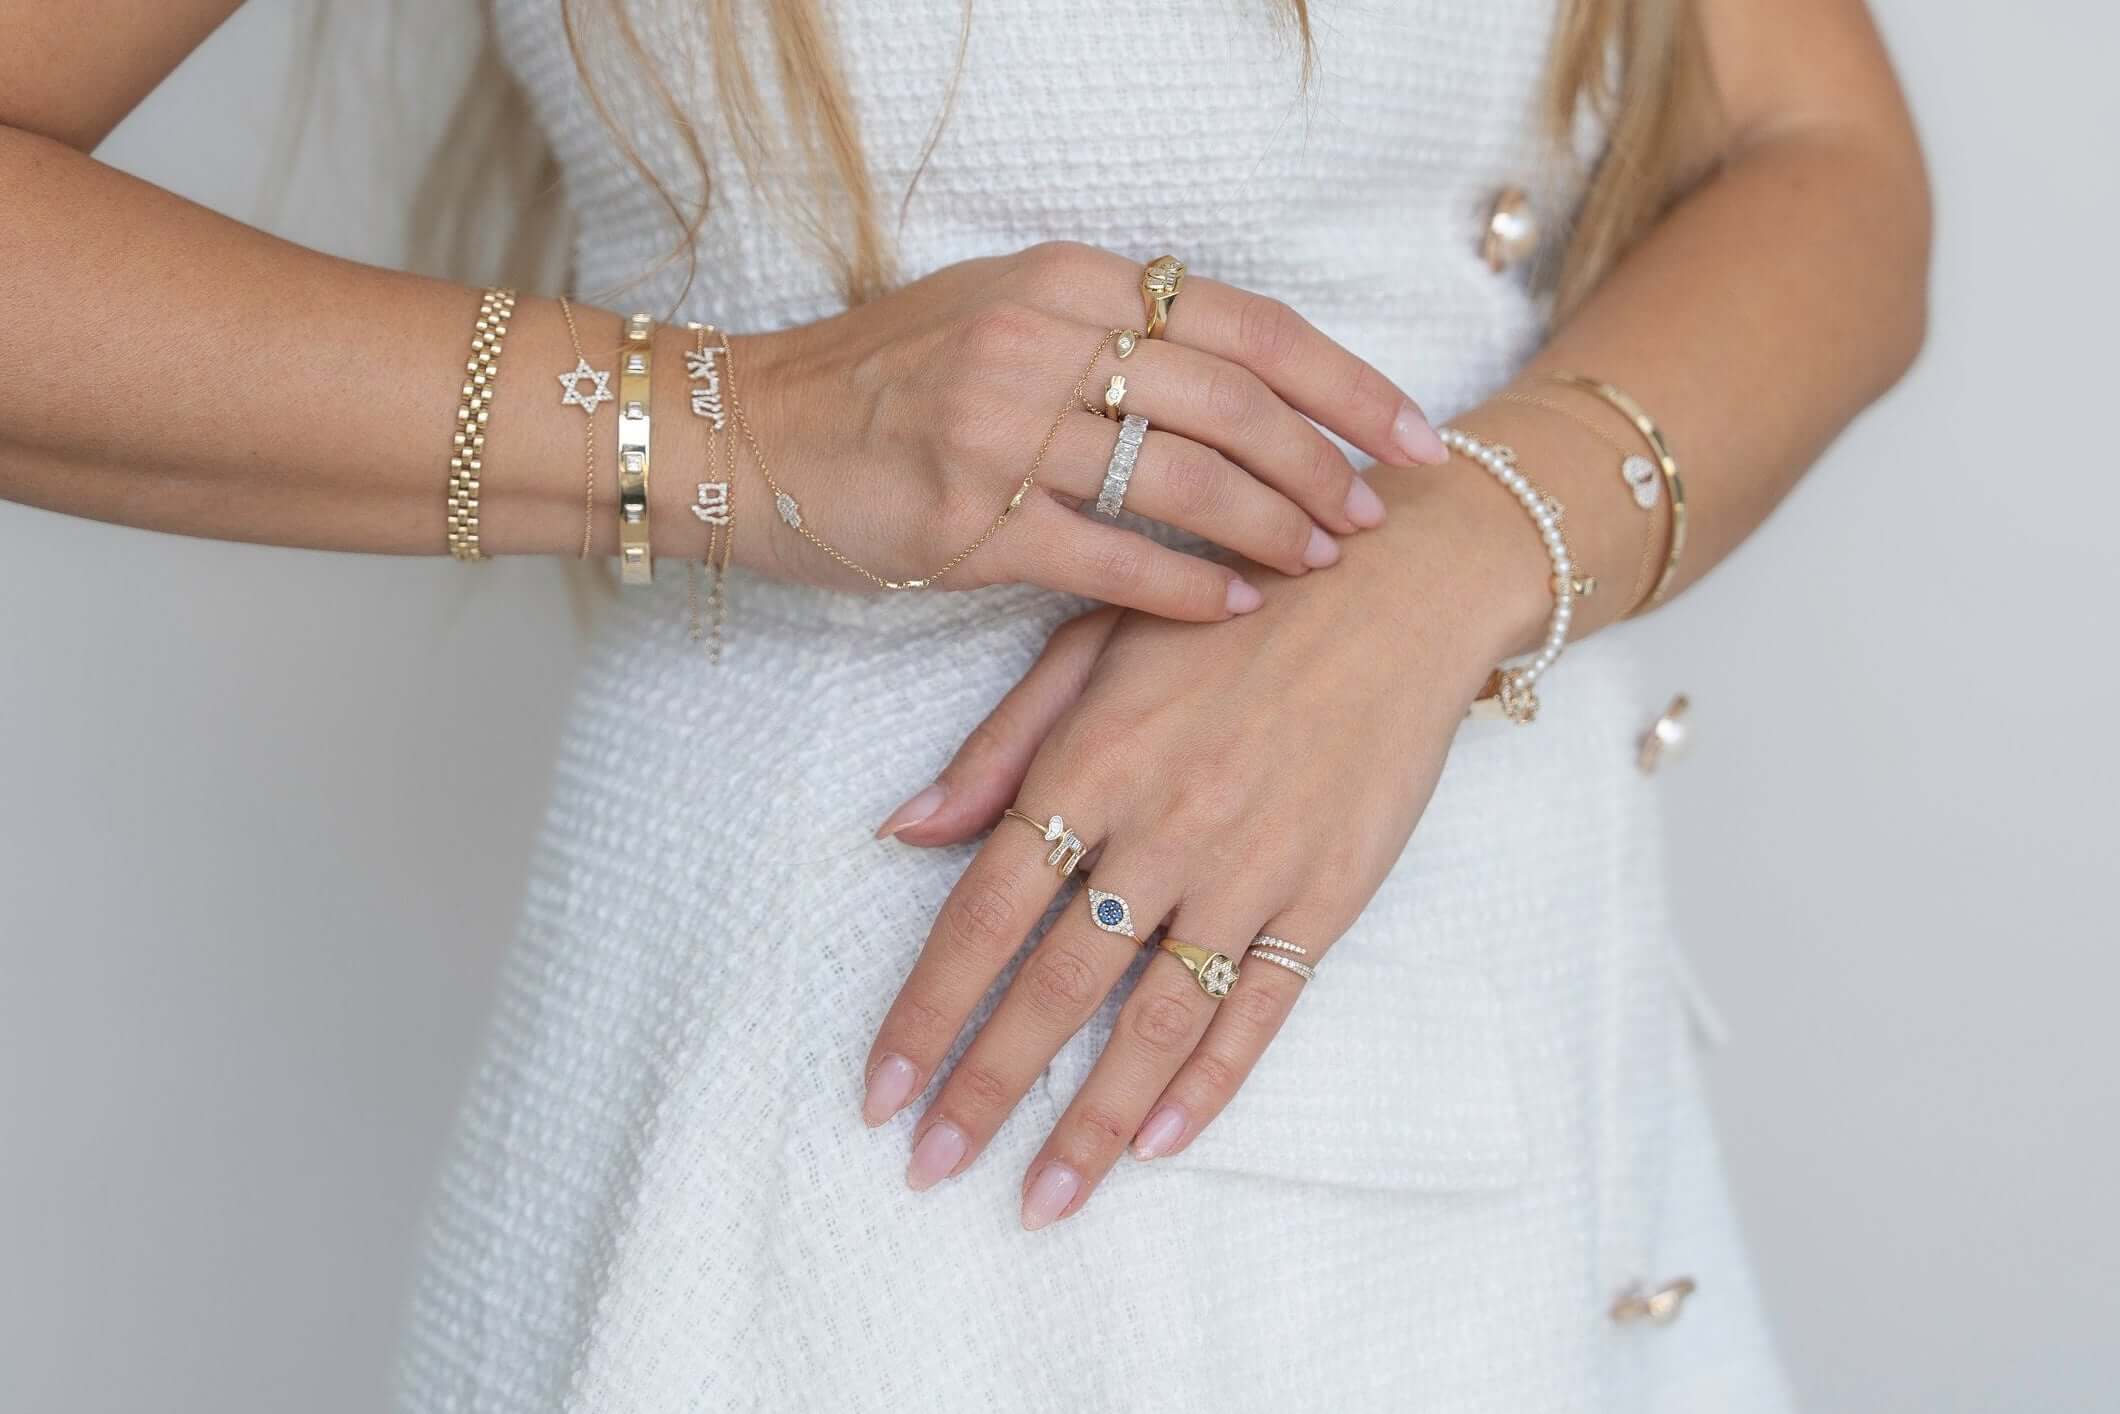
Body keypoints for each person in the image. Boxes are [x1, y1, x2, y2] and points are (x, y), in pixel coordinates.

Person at [0, 1, 1930, 1409]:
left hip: (1544, 1138)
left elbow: (1829, 162)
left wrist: (1447, 563)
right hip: (896, 1176)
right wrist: (731, 424)